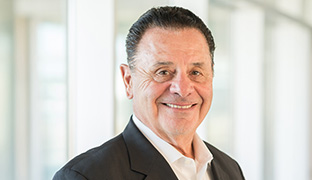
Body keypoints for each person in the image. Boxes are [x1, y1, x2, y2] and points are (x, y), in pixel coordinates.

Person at [53, 6, 245, 180]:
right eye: (163, 72)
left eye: (195, 72)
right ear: (128, 81)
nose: (183, 89)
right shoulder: (86, 176)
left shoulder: (229, 169)